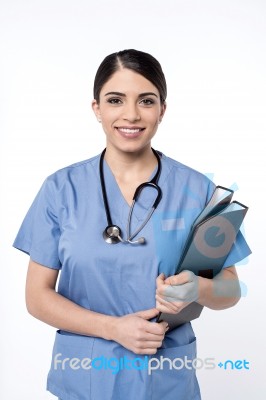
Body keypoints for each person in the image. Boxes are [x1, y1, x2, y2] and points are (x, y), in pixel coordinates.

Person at [13, 49, 251, 400]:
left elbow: (231, 290)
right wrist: (113, 329)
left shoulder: (197, 190)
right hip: (86, 377)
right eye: (115, 100)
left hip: (165, 380)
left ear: (162, 110)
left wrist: (198, 290)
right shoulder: (60, 189)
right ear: (96, 109)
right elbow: (37, 297)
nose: (131, 114)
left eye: (146, 100)